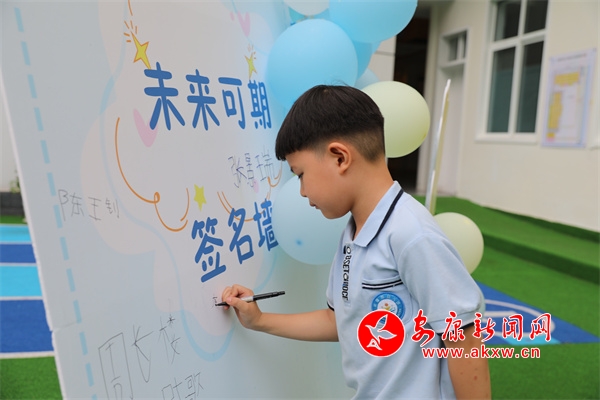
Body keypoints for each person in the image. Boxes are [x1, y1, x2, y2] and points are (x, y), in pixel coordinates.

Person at [221, 85, 491, 399]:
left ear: (340, 157)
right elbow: (339, 320)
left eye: (301, 174)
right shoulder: (353, 232)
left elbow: (465, 339)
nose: (302, 191)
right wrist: (260, 320)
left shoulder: (411, 233)